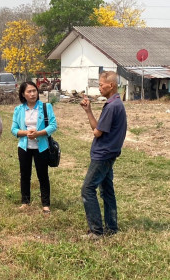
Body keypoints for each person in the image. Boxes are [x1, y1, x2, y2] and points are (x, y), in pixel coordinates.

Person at [80, 71, 127, 239]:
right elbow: (98, 128)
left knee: (87, 189)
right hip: (110, 153)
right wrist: (88, 111)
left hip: (103, 154)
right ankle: (111, 227)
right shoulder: (115, 104)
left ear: (111, 85)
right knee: (107, 190)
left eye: (101, 85)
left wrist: (96, 130)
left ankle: (96, 231)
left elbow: (97, 133)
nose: (99, 88)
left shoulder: (112, 106)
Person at [11, 81, 57, 213]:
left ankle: (46, 204)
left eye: (34, 91)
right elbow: (14, 130)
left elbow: (53, 125)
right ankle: (25, 201)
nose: (32, 94)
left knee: (43, 175)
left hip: (41, 147)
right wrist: (26, 133)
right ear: (23, 94)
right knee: (25, 175)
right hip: (24, 147)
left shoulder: (45, 107)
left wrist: (39, 133)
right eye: (29, 92)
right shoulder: (19, 110)